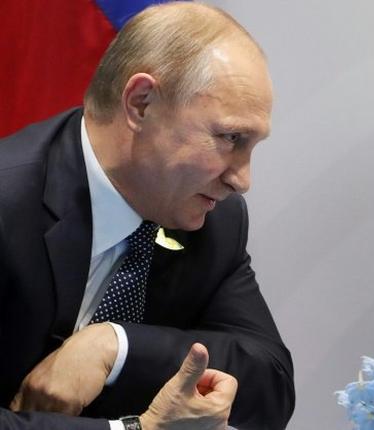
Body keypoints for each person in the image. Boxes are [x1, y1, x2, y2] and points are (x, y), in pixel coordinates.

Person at [0, 2, 295, 429]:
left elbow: (270, 383)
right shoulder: (9, 202)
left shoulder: (216, 221)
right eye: (231, 138)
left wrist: (115, 347)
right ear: (141, 104)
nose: (242, 180)